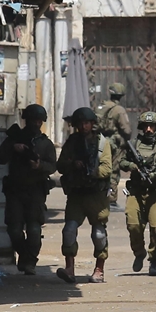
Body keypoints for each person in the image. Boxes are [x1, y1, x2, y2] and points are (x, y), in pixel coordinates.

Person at [0, 104, 57, 275]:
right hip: (15, 190)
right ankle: (24, 255)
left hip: (35, 191)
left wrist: (39, 165)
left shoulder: (45, 144)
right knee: (14, 229)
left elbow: (52, 166)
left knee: (34, 230)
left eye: (38, 121)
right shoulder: (14, 139)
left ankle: (30, 261)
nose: (35, 124)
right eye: (32, 120)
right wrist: (13, 147)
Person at [56, 107, 112, 284]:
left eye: (86, 123)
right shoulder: (72, 142)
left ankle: (99, 269)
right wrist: (73, 165)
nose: (83, 126)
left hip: (96, 196)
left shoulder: (102, 144)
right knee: (69, 231)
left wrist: (92, 171)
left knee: (99, 234)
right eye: (80, 123)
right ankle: (69, 269)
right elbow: (60, 165)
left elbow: (107, 168)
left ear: (92, 124)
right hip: (77, 195)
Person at [119, 111, 156, 276]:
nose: (148, 129)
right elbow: (122, 162)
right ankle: (139, 253)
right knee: (133, 224)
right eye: (146, 126)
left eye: (152, 126)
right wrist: (133, 167)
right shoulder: (134, 144)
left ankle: (154, 260)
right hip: (136, 191)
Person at [95, 83, 132, 209]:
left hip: (100, 142)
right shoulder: (118, 110)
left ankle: (99, 196)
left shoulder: (101, 106)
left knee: (101, 168)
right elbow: (126, 130)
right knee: (113, 171)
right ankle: (111, 200)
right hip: (114, 144)